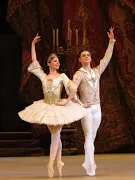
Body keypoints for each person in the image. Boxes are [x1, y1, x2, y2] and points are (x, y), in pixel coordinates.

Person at [18, 34, 88, 178]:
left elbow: (73, 87)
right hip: (46, 107)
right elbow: (34, 60)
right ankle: (59, 161)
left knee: (55, 135)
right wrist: (32, 44)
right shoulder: (44, 76)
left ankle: (50, 164)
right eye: (55, 61)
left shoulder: (62, 77)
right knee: (54, 135)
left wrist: (67, 101)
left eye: (58, 61)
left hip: (59, 108)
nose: (57, 63)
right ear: (49, 63)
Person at [72, 27, 116, 176]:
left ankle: (89, 162)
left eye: (88, 55)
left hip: (97, 107)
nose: (86, 56)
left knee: (93, 136)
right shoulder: (78, 74)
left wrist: (111, 41)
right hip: (86, 109)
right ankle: (90, 167)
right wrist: (80, 103)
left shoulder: (96, 71)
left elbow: (106, 58)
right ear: (79, 59)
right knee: (88, 136)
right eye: (83, 55)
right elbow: (71, 91)